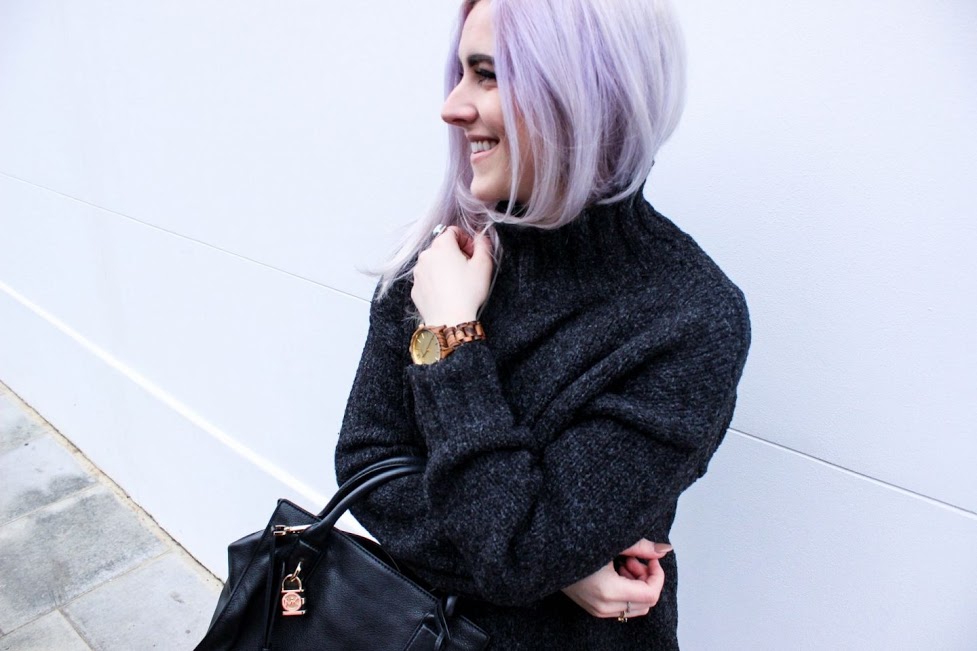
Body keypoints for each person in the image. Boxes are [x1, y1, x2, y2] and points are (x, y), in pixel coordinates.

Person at [334, 0, 750, 648]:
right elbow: (370, 461)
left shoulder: (690, 319)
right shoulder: (443, 260)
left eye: (487, 75)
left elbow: (517, 548)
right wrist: (559, 571)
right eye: (459, 73)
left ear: (583, 94)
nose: (451, 105)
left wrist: (449, 337)